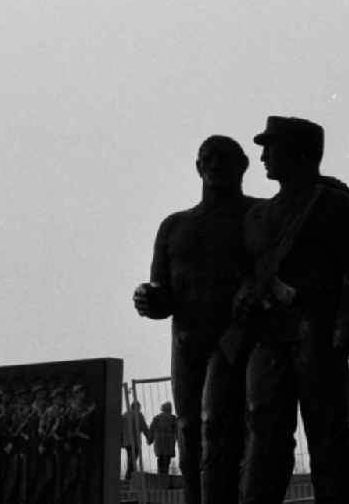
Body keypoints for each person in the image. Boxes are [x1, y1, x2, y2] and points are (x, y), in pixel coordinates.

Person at [236, 116, 349, 504]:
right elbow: (246, 274)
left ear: (300, 153)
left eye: (271, 146)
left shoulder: (333, 206)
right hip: (268, 339)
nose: (262, 156)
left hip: (317, 334)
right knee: (264, 436)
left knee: (330, 435)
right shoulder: (257, 217)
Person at [133, 135, 261, 504]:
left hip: (244, 344)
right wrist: (149, 298)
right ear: (198, 167)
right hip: (189, 345)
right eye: (208, 159)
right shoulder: (174, 227)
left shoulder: (259, 216)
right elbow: (163, 294)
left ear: (242, 167)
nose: (215, 165)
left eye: (224, 159)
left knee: (243, 429)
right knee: (190, 430)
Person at [120, 401, 149, 481]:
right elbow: (144, 427)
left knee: (130, 458)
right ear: (137, 407)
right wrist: (149, 437)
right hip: (135, 441)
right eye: (139, 407)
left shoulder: (125, 415)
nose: (140, 409)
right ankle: (128, 478)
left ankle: (128, 477)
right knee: (133, 459)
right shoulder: (138, 415)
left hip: (126, 441)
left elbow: (120, 429)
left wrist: (121, 440)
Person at [147, 401, 178, 475]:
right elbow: (177, 431)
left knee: (160, 459)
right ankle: (165, 475)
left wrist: (149, 440)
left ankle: (160, 475)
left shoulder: (156, 418)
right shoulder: (173, 418)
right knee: (167, 460)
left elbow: (151, 430)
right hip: (169, 443)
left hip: (159, 443)